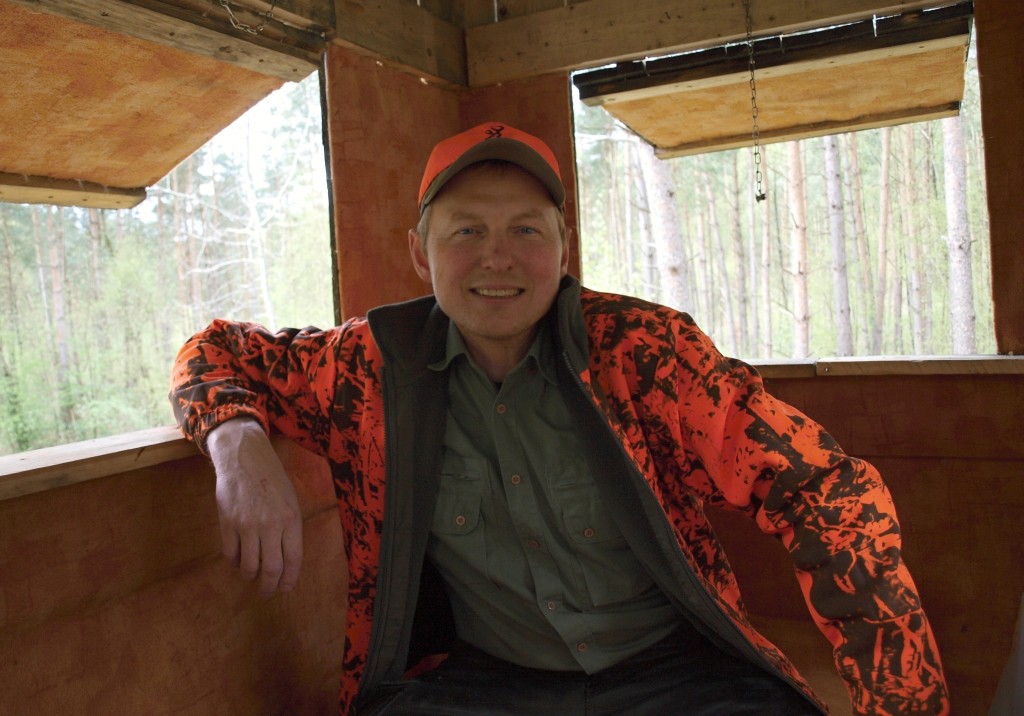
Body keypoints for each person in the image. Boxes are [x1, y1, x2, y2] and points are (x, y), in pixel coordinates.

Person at [170, 122, 949, 715]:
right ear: (420, 253)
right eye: (466, 230)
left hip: (677, 672)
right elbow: (215, 350)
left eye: (525, 230)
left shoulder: (647, 354)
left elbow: (822, 488)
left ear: (564, 246)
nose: (497, 258)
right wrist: (237, 444)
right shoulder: (367, 370)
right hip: (480, 681)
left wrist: (902, 704)